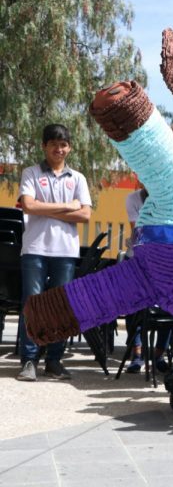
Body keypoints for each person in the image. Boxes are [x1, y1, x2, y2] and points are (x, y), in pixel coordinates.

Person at [16, 123, 91, 382]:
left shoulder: (78, 178)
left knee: (61, 306)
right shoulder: (31, 173)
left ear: (69, 147)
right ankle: (28, 360)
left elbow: (85, 214)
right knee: (33, 305)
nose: (58, 149)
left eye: (63, 144)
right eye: (53, 144)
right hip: (35, 249)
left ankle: (54, 361)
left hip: (65, 251)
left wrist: (43, 207)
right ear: (44, 146)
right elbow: (27, 206)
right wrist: (65, 207)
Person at [124, 182, 172, 374]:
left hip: (165, 262)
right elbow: (139, 233)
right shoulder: (133, 199)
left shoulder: (172, 198)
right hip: (138, 259)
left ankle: (158, 354)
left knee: (170, 306)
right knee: (132, 304)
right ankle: (137, 353)